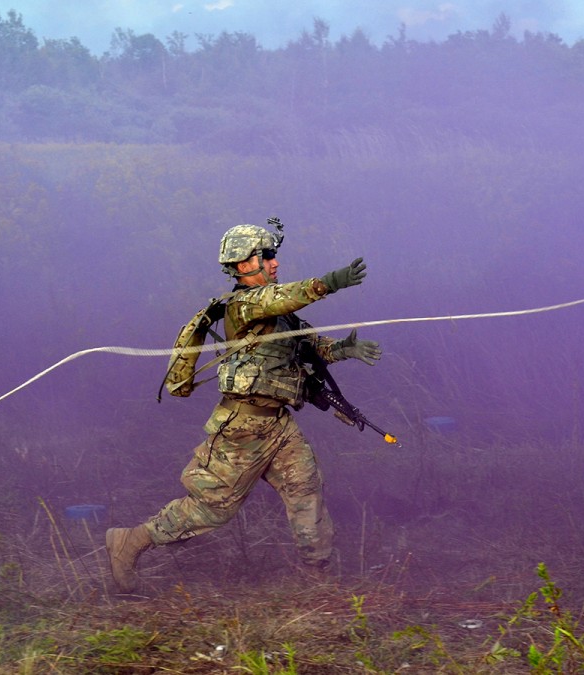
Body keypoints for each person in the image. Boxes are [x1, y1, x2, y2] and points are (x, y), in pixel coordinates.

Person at [105, 222, 381, 593]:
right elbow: (284, 297)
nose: (275, 262)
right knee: (212, 508)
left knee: (306, 491)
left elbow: (312, 345)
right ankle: (132, 541)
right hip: (243, 428)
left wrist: (345, 349)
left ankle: (319, 580)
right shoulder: (245, 304)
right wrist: (329, 282)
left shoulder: (281, 313)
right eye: (266, 256)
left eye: (271, 254)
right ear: (243, 265)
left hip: (278, 426)